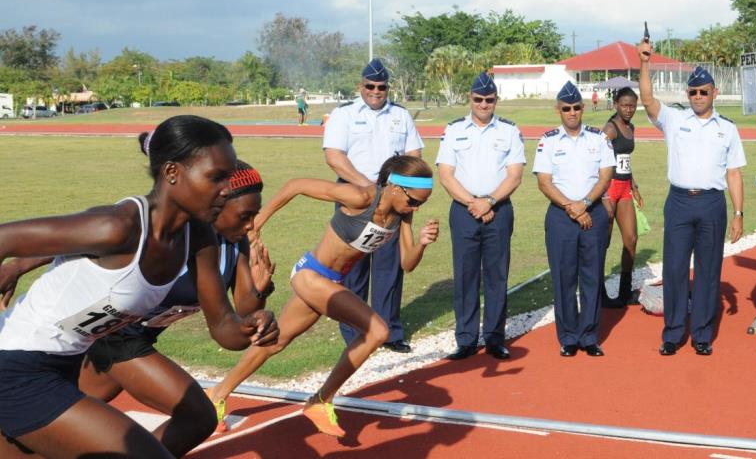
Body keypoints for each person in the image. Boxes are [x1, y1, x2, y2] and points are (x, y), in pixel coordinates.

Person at [0, 115, 278, 459]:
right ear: (173, 173)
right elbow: (4, 238)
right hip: (15, 363)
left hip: (64, 363)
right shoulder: (118, 226)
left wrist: (252, 325)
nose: (226, 189)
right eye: (217, 177)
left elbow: (224, 329)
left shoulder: (199, 237)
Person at [205, 155, 439, 438]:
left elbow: (407, 264)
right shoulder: (361, 196)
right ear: (394, 186)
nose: (415, 207)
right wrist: (257, 224)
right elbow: (296, 185)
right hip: (311, 274)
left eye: (421, 203)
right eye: (413, 200)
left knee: (275, 342)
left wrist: (423, 243)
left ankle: (216, 394)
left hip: (331, 281)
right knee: (377, 330)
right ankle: (320, 400)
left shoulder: (403, 214)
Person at [637, 38, 745, 356]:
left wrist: (739, 213)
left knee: (709, 271)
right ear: (688, 94)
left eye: (704, 91)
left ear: (714, 93)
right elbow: (646, 98)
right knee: (675, 268)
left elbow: (735, 173)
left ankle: (701, 334)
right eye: (693, 92)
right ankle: (672, 333)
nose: (698, 96)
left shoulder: (727, 128)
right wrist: (645, 62)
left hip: (712, 203)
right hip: (680, 202)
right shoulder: (675, 120)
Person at [322, 58, 424, 353]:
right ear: (361, 86)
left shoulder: (401, 115)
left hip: (392, 199)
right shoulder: (344, 115)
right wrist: (366, 186)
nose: (376, 91)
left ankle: (390, 331)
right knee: (352, 266)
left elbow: (413, 155)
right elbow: (334, 156)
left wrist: (398, 189)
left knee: (389, 267)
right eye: (370, 86)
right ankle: (355, 333)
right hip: (354, 197)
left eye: (381, 87)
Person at [436, 72, 525, 361]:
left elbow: (515, 175)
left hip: (498, 209)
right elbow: (446, 175)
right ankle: (466, 339)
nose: (484, 104)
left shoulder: (509, 131)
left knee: (497, 276)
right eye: (478, 99)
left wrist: (488, 202)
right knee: (465, 275)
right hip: (463, 211)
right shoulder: (454, 130)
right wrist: (473, 203)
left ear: (495, 100)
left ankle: (495, 338)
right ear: (469, 99)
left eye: (489, 100)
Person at [533, 81, 615, 357]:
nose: (572, 112)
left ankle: (589, 336)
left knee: (592, 277)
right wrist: (572, 207)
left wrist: (586, 204)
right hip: (561, 217)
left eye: (576, 108)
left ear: (583, 108)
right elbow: (544, 182)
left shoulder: (598, 138)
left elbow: (606, 174)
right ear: (559, 110)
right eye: (566, 108)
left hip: (594, 213)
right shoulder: (548, 141)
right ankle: (568, 336)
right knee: (563, 278)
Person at [600, 87, 645, 308]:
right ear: (616, 104)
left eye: (633, 106)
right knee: (603, 242)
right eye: (625, 105)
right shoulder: (610, 128)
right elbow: (597, 158)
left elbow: (624, 159)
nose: (629, 110)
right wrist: (602, 195)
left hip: (625, 186)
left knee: (631, 239)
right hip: (609, 188)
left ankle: (624, 292)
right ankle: (598, 293)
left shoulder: (631, 127)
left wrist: (634, 185)